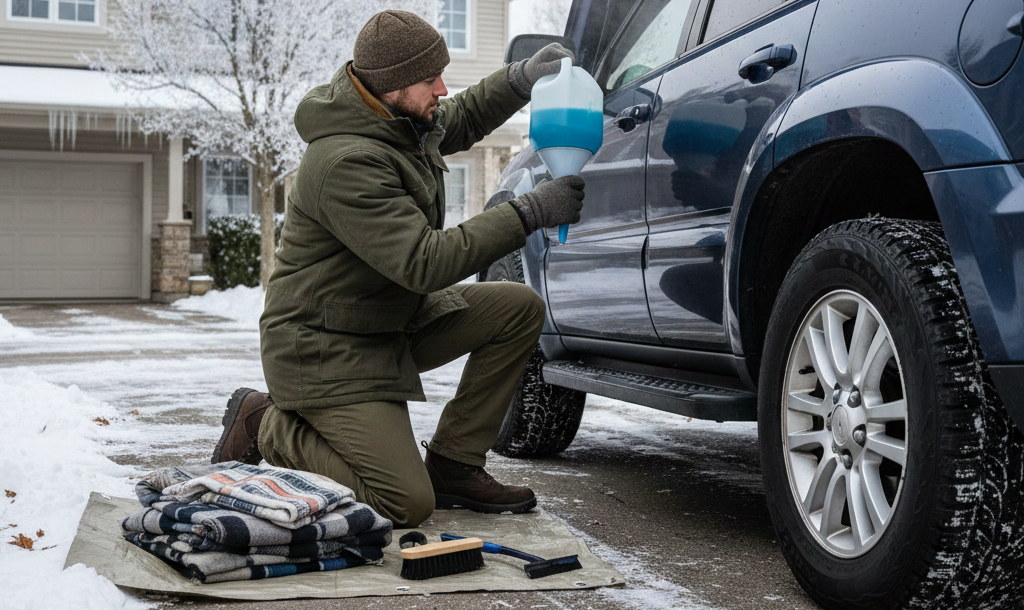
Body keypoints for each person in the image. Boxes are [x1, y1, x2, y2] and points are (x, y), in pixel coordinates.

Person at [211, 10, 585, 528]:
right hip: (325, 350)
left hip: (386, 324)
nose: (442, 88)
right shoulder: (346, 162)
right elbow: (424, 262)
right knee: (403, 504)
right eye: (429, 79)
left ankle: (455, 465)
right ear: (390, 87)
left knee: (517, 307)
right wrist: (527, 212)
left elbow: (463, 116)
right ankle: (265, 423)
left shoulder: (401, 121)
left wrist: (519, 78)